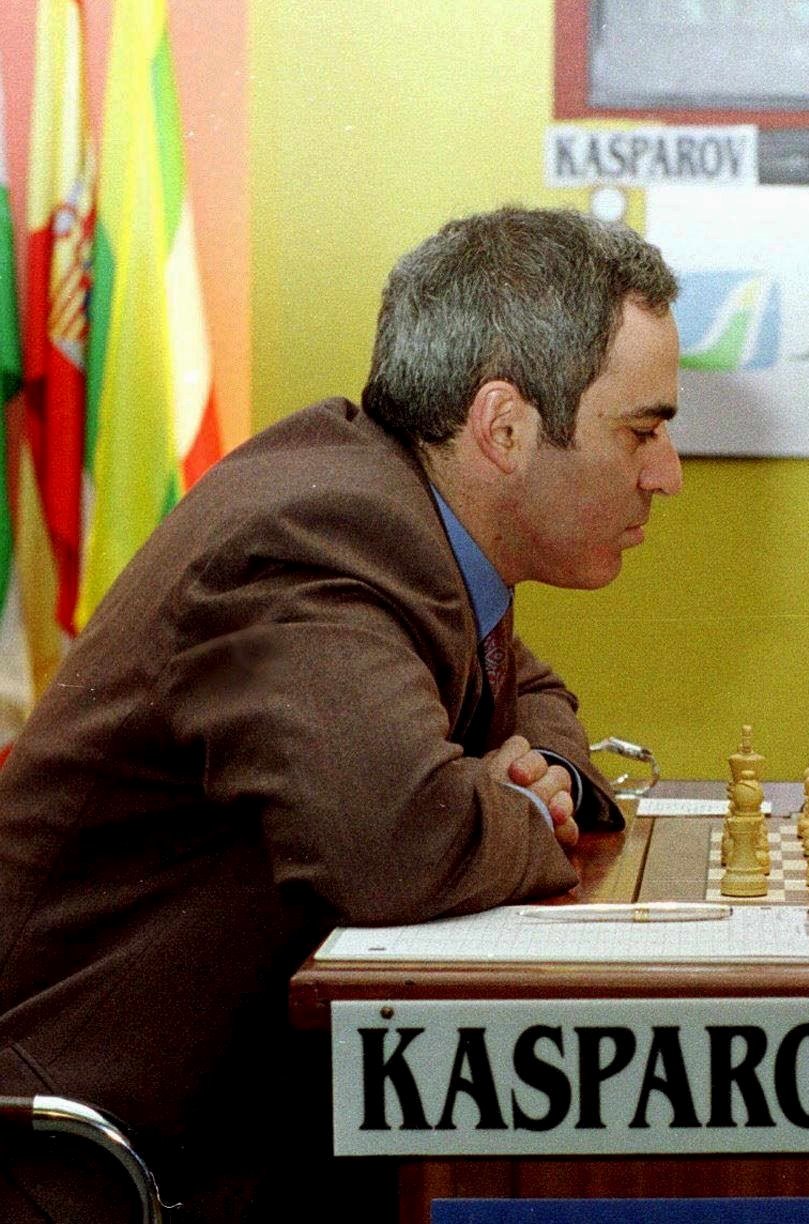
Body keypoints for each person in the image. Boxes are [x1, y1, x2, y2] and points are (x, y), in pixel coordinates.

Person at [0, 207, 683, 1219]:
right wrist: (527, 811)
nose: (665, 476)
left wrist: (544, 774)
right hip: (85, 1163)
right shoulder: (318, 536)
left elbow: (527, 694)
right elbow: (398, 843)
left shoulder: (401, 521)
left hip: (240, 1114)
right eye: (642, 431)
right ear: (503, 428)